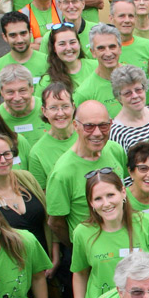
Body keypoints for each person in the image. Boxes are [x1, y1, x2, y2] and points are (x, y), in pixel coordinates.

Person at [72, 169, 149, 298]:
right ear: (91, 203)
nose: (106, 203)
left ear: (123, 193)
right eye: (98, 198)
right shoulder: (82, 232)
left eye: (110, 195)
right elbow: (80, 273)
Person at [45, 100, 128, 241]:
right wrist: (78, 247)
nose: (97, 133)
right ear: (75, 126)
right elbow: (56, 222)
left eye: (103, 126)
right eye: (89, 126)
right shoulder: (62, 173)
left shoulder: (115, 150)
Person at [0, 133, 52, 256]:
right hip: (15, 266)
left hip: (47, 259)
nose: (3, 160)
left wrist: (55, 256)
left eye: (6, 154)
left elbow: (48, 218)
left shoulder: (27, 178)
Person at [0, 12, 48, 102]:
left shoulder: (49, 62)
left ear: (30, 33)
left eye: (23, 33)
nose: (19, 40)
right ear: (4, 37)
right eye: (13, 35)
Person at [27, 84, 78, 191]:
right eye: (53, 108)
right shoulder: (37, 153)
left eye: (65, 106)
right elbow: (43, 195)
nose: (60, 113)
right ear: (44, 111)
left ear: (73, 107)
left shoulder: (87, 136)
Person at [109, 65, 149, 152]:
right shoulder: (116, 132)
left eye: (138, 90)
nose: (135, 96)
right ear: (119, 98)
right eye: (128, 93)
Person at [74, 24, 125, 117]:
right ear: (93, 52)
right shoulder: (84, 93)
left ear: (120, 48)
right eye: (101, 48)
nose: (108, 53)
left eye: (112, 46)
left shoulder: (136, 77)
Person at [0, 65, 49, 146]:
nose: (17, 98)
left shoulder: (48, 109)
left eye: (22, 90)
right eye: (10, 92)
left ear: (32, 88)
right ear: (1, 92)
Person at [43, 21, 98, 96]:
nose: (68, 48)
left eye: (72, 42)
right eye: (62, 44)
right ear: (54, 48)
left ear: (79, 44)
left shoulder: (97, 67)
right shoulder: (47, 80)